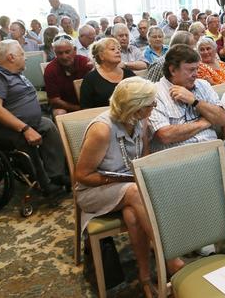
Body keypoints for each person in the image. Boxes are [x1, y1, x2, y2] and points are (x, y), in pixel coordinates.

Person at [74, 77, 184, 297]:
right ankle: (171, 258)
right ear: (135, 107)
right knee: (134, 192)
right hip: (95, 191)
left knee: (133, 214)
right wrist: (121, 180)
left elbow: (143, 158)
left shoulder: (140, 120)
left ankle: (144, 277)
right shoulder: (102, 130)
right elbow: (82, 175)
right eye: (151, 104)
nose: (155, 107)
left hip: (129, 189)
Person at [148, 44, 225, 205]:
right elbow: (165, 135)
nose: (195, 74)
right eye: (190, 70)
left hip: (217, 156)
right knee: (197, 189)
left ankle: (219, 210)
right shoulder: (155, 92)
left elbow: (222, 119)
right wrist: (204, 122)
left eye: (197, 69)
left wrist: (194, 101)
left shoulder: (202, 85)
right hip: (179, 163)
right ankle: (211, 213)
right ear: (172, 70)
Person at [0, 40, 67, 196]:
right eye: (22, 54)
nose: (25, 58)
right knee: (23, 137)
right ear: (11, 57)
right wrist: (25, 128)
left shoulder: (16, 74)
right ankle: (43, 182)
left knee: (48, 125)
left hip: (26, 122)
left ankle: (56, 175)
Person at [44, 35, 93, 117]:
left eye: (67, 52)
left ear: (74, 50)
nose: (64, 56)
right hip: (66, 107)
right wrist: (79, 109)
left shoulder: (86, 63)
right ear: (55, 53)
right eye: (60, 53)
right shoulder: (50, 69)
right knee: (59, 113)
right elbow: (55, 100)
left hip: (88, 104)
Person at [80, 38, 136, 108]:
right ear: (101, 56)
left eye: (119, 49)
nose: (118, 51)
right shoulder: (90, 79)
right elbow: (85, 107)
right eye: (113, 49)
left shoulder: (129, 73)